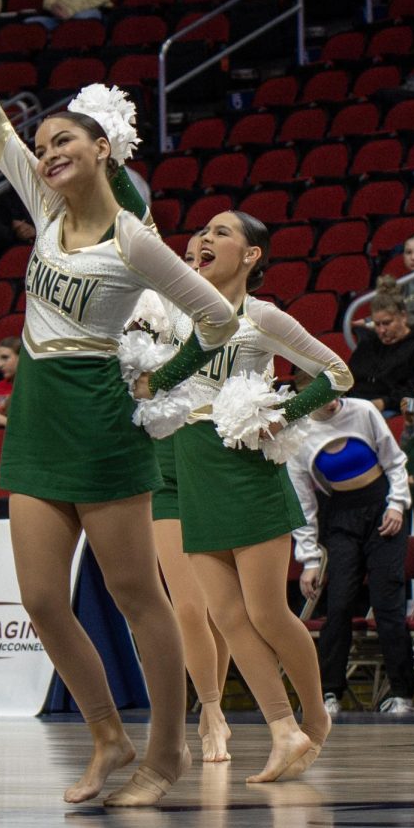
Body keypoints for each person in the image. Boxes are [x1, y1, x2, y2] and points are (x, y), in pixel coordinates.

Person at [0, 15, 239, 807]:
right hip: (34, 418)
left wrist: (159, 378)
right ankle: (106, 735)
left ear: (104, 149)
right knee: (37, 599)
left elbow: (219, 318)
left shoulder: (134, 241)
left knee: (139, 599)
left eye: (66, 139)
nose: (49, 150)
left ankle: (164, 756)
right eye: (45, 142)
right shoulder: (43, 201)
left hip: (101, 423)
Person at [159, 210, 353, 782]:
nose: (204, 238)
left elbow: (337, 373)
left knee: (267, 611)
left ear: (251, 256)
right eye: (201, 231)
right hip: (192, 470)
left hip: (246, 471)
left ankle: (314, 715)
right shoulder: (177, 312)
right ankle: (282, 730)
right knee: (225, 614)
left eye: (222, 232)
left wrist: (278, 415)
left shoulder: (260, 315)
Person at [138, 234, 231, 764]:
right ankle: (212, 711)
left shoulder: (242, 315)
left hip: (213, 462)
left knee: (218, 608)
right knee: (188, 606)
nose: (196, 258)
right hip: (164, 463)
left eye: (206, 252)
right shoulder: (154, 308)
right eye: (189, 254)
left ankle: (210, 706)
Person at [290, 394, 414, 717]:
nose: (332, 402)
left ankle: (402, 692)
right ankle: (329, 692)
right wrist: (310, 561)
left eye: (337, 393)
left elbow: (395, 461)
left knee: (387, 602)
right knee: (339, 603)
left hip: (383, 509)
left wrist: (397, 504)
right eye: (324, 394)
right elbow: (303, 505)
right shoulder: (299, 432)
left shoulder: (363, 411)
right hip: (341, 514)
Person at [347, 277, 414, 415]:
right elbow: (351, 376)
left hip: (391, 409)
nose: (382, 330)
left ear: (403, 316)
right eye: (377, 324)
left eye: (387, 323)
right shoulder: (369, 343)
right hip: (356, 403)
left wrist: (384, 403)